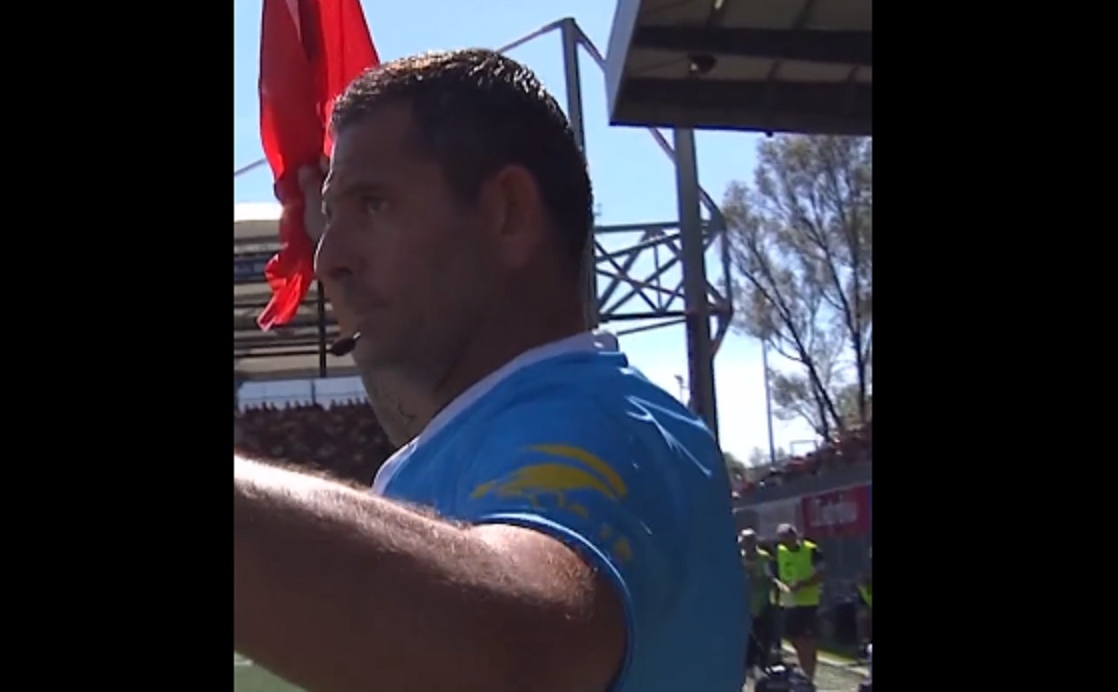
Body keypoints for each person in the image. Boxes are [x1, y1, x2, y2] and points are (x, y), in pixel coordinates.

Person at [233, 49, 746, 692]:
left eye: (373, 204)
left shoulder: (602, 422)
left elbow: (517, 647)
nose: (329, 257)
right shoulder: (492, 434)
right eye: (332, 218)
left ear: (507, 211)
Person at [773, 523, 825, 682]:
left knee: (808, 642)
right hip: (789, 603)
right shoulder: (779, 552)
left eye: (787, 538)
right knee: (795, 640)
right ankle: (804, 671)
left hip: (808, 602)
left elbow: (821, 574)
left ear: (795, 536)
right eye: (782, 540)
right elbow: (775, 574)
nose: (785, 543)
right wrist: (780, 586)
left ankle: (809, 676)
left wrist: (803, 584)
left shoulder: (811, 550)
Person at [740, 528, 775, 677]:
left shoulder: (764, 558)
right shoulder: (737, 558)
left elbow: (770, 579)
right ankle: (747, 666)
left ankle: (762, 665)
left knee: (763, 638)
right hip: (742, 606)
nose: (748, 544)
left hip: (761, 604)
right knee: (745, 638)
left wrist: (754, 577)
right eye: (746, 541)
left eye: (751, 540)